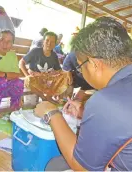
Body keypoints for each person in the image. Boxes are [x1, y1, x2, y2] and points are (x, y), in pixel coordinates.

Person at [34, 17, 132, 171]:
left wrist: (51, 113)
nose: (80, 71)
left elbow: (82, 167)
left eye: (80, 67)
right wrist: (86, 112)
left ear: (93, 64)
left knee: (54, 167)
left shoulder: (107, 100)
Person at [19, 31, 72, 103]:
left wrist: (67, 72)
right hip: (35, 80)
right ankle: (43, 97)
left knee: (66, 76)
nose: (49, 43)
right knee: (28, 79)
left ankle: (49, 97)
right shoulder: (35, 51)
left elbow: (59, 70)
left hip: (47, 81)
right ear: (43, 41)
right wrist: (27, 75)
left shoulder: (54, 55)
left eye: (52, 42)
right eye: (47, 40)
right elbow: (21, 63)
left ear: (55, 44)